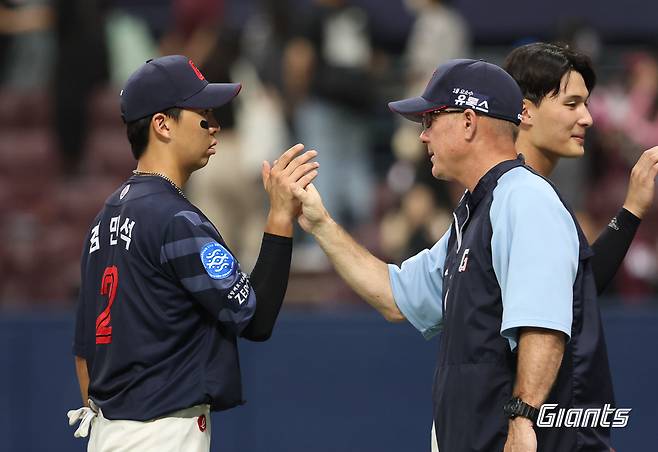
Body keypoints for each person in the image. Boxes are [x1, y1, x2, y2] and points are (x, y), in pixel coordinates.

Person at [292, 59, 615, 450]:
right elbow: (397, 297)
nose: (423, 136)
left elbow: (543, 328)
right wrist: (323, 225)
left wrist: (523, 421)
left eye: (430, 120)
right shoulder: (476, 211)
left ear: (468, 122)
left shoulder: (525, 200)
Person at [66, 55, 319, 451]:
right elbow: (255, 319)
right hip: (162, 435)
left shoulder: (103, 221)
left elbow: (84, 356)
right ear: (162, 124)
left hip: (109, 434)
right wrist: (280, 217)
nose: (215, 125)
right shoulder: (175, 219)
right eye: (202, 114)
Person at [504, 42, 658, 295]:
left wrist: (632, 210)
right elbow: (570, 300)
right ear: (525, 112)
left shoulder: (527, 190)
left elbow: (577, 288)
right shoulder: (523, 197)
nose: (587, 118)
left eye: (585, 104)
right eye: (571, 104)